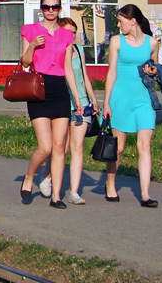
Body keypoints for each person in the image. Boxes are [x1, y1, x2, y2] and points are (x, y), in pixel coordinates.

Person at [18, 0, 75, 208]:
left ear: (60, 8)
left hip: (60, 90)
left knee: (60, 146)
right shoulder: (30, 30)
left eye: (55, 6)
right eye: (46, 7)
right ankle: (29, 177)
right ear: (40, 8)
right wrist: (32, 45)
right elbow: (24, 63)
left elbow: (68, 69)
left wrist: (78, 100)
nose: (50, 11)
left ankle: (56, 196)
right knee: (46, 148)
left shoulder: (66, 35)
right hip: (38, 90)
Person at [102, 3, 162, 207]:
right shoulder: (117, 41)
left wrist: (154, 72)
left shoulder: (152, 43)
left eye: (121, 21)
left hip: (144, 99)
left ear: (132, 21)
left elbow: (156, 68)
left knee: (144, 145)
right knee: (118, 148)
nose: (119, 25)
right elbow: (111, 72)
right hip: (121, 98)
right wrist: (106, 103)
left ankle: (145, 194)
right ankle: (110, 183)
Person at [40, 16, 100, 204]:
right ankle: (48, 176)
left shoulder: (78, 50)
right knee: (61, 147)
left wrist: (93, 99)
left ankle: (74, 192)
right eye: (69, 32)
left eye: (74, 33)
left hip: (81, 103)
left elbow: (84, 77)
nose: (72, 36)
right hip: (62, 102)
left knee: (77, 146)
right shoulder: (54, 51)